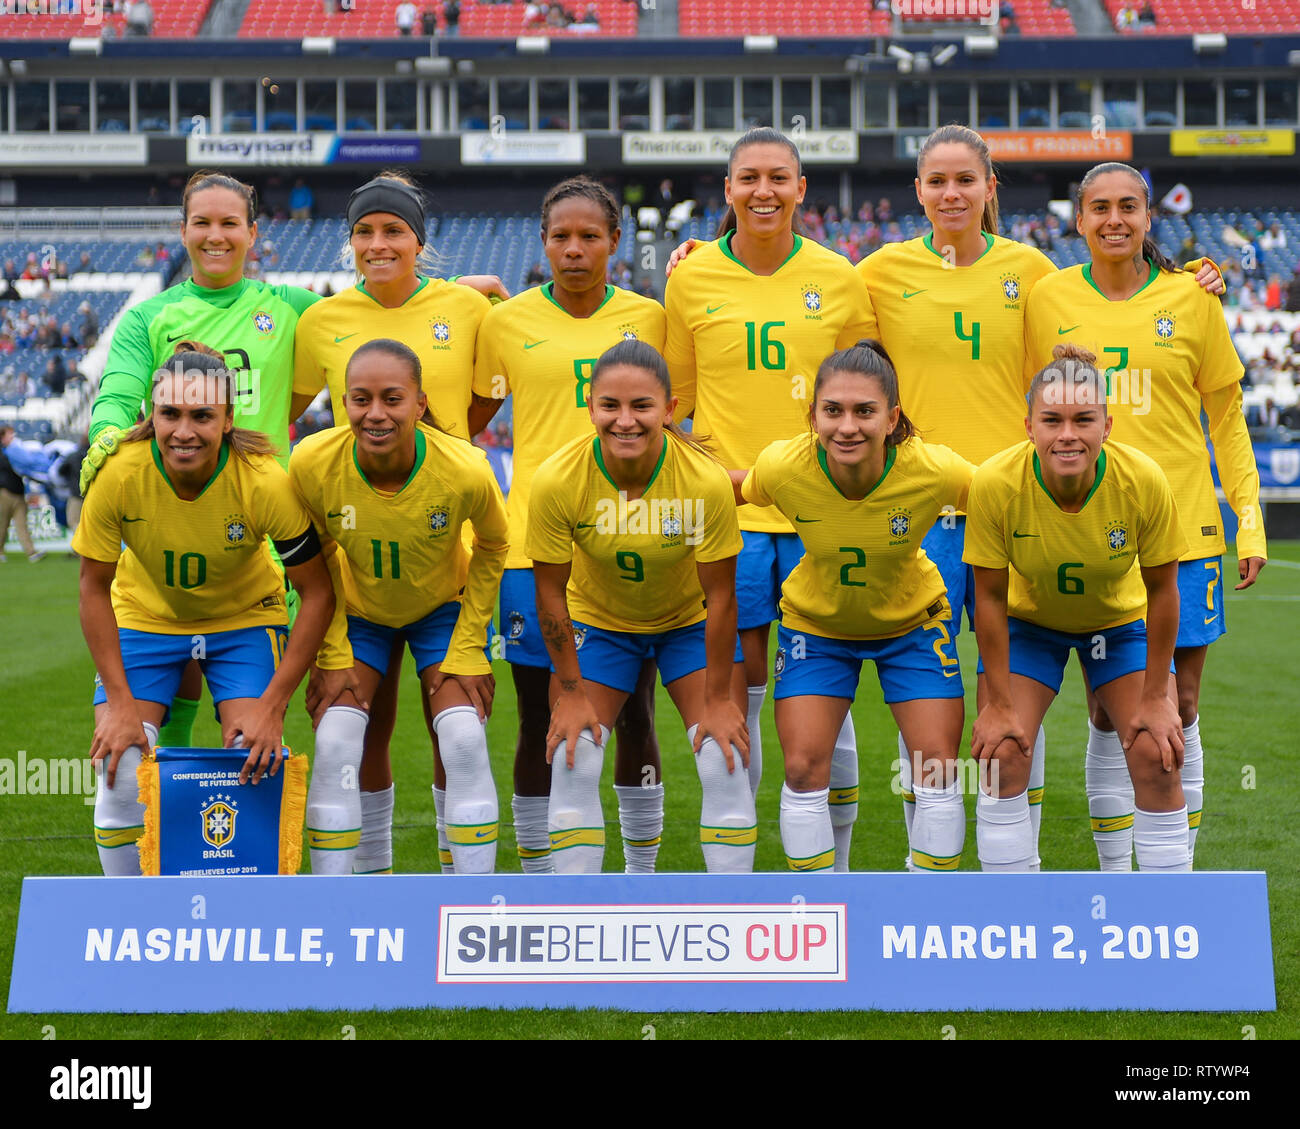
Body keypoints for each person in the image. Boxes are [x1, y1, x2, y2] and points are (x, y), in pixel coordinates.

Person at [1024, 162, 1265, 871]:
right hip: (1090, 533)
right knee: (1107, 709)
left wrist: (1247, 519)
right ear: (1078, 220)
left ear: (1149, 216)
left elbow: (1226, 417)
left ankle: (1171, 875)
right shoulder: (1046, 298)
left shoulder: (1193, 299)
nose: (1114, 220)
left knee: (1176, 704)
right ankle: (1114, 875)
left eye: (1129, 206)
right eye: (1098, 207)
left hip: (1184, 528)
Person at [663, 126, 876, 870]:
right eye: (748, 177)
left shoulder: (841, 279)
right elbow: (672, 405)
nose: (764, 191)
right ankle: (739, 875)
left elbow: (870, 396)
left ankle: (834, 876)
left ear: (801, 189)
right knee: (740, 698)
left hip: (825, 518)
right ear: (726, 190)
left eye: (778, 178)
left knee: (828, 692)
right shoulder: (688, 278)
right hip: (735, 518)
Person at [293, 171, 508, 875]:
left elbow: (476, 412)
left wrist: (441, 454)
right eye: (365, 231)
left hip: (445, 548)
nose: (378, 243)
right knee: (362, 730)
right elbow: (286, 413)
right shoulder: (320, 321)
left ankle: (461, 902)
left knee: (457, 735)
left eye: (394, 230)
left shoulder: (469, 309)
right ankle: (371, 891)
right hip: (358, 572)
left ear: (421, 240)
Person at [82, 171, 325, 752]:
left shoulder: (292, 308)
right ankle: (163, 822)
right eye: (202, 223)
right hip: (173, 511)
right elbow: (117, 396)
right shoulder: (148, 318)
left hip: (261, 536)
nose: (215, 236)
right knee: (158, 715)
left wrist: (447, 290)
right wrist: (107, 440)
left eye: (229, 223)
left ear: (253, 232)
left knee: (250, 738)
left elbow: (375, 322)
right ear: (183, 230)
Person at [72, 351, 336, 876]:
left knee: (253, 762)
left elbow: (318, 592)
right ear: (151, 414)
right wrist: (120, 703)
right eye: (170, 414)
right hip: (146, 620)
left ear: (228, 419)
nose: (183, 431)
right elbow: (92, 587)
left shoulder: (264, 480)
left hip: (243, 621)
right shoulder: (119, 473)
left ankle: (243, 918)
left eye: (202, 416)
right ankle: (136, 925)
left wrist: (274, 705)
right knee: (121, 770)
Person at [471, 176, 668, 874]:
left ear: (615, 241)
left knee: (636, 713)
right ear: (543, 242)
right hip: (533, 547)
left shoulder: (651, 318)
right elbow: (463, 423)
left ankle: (639, 880)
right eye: (561, 236)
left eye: (590, 236)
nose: (575, 249)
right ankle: (536, 883)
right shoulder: (506, 323)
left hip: (629, 543)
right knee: (540, 719)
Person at [738, 341, 973, 871]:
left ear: (891, 419)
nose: (847, 426)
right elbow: (733, 488)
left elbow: (1005, 500)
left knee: (935, 769)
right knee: (800, 768)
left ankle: (922, 918)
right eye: (833, 411)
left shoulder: (935, 470)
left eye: (865, 412)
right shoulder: (782, 466)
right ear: (813, 416)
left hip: (913, 624)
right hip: (817, 626)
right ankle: (827, 908)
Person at [527, 340, 753, 873]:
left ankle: (733, 920)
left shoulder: (703, 481)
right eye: (610, 406)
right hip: (600, 624)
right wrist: (573, 690)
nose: (624, 421)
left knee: (724, 759)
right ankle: (577, 923)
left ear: (670, 409)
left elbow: (721, 596)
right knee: (572, 757)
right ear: (590, 406)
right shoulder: (558, 480)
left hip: (686, 624)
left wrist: (718, 699)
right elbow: (550, 593)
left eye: (641, 406)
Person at [965, 346, 1189, 873]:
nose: (1067, 434)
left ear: (1107, 425)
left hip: (1117, 626)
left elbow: (1163, 591)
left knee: (1159, 754)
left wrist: (1157, 696)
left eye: (1083, 419)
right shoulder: (996, 484)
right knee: (1001, 757)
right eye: (1052, 420)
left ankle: (1169, 923)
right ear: (1029, 426)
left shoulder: (1144, 481)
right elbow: (990, 599)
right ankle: (1013, 921)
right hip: (1029, 626)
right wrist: (997, 702)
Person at [0, 425, 44, 563]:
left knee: (22, 524)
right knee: (2, 525)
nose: (13, 437)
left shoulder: (14, 452)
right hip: (5, 493)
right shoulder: (5, 454)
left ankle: (31, 552)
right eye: (10, 435)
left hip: (19, 493)